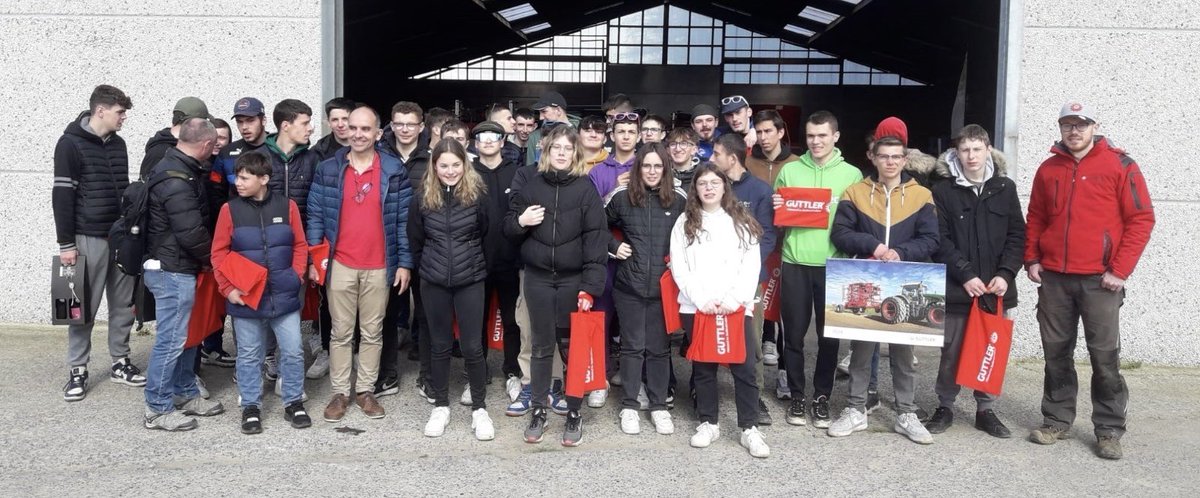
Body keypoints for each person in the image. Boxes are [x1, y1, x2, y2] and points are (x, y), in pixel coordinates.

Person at [1024, 101, 1154, 460]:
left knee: (1104, 356)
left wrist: (1120, 269)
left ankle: (1109, 429)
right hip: (1055, 280)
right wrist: (1032, 258)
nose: (1074, 131)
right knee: (1056, 354)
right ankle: (1056, 420)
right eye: (1067, 124)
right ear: (1061, 128)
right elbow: (1035, 215)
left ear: (1095, 125)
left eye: (1081, 124)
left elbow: (1141, 219)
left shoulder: (1120, 165)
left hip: (1101, 281)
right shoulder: (1049, 169)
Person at [827, 136, 939, 444]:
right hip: (868, 276)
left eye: (896, 157)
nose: (890, 162)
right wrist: (874, 246)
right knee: (861, 351)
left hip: (905, 276)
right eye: (884, 156)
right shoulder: (855, 192)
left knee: (904, 353)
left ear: (905, 160)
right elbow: (841, 233)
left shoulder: (922, 195)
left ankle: (906, 413)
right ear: (872, 158)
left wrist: (901, 251)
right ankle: (855, 410)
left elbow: (931, 239)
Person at [306, 105, 414, 423]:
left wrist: (404, 263)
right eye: (353, 128)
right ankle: (340, 393)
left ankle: (365, 390)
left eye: (365, 129)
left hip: (380, 265)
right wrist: (315, 259)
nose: (358, 134)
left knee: (373, 331)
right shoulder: (328, 168)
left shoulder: (394, 170)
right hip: (340, 263)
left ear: (378, 134)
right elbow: (315, 215)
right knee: (339, 332)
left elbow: (403, 221)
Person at [504, 125, 609, 447]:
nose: (561, 153)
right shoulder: (531, 185)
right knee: (540, 346)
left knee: (572, 348)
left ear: (576, 154)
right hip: (536, 277)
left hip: (573, 280)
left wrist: (589, 287)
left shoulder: (585, 190)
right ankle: (539, 408)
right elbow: (507, 226)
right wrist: (521, 222)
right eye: (555, 148)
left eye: (567, 148)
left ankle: (574, 411)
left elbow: (596, 239)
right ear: (545, 153)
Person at [927, 124, 1024, 439]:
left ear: (987, 149)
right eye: (965, 150)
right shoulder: (942, 190)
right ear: (957, 152)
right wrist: (965, 274)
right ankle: (945, 406)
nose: (971, 156)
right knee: (951, 351)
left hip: (995, 290)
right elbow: (939, 240)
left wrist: (1006, 274)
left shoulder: (1004, 188)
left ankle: (985, 409)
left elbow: (1017, 235)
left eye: (977, 149)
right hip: (958, 287)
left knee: (989, 349)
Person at [769, 111, 862, 429]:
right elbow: (776, 216)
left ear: (835, 136)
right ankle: (797, 395)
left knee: (829, 338)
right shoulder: (790, 171)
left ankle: (821, 397)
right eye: (810, 136)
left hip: (833, 267)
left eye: (822, 135)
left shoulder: (851, 175)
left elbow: (858, 223)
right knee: (792, 336)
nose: (816, 141)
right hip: (794, 263)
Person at [53, 84, 145, 402]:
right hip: (85, 239)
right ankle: (78, 370)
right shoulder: (69, 144)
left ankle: (120, 362)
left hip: (119, 237)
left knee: (123, 305)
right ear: (100, 110)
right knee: (81, 309)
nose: (123, 119)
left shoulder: (118, 145)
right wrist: (66, 245)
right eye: (120, 113)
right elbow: (62, 197)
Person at [670, 163, 768, 458]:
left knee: (744, 366)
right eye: (703, 183)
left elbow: (751, 265)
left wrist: (734, 299)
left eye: (715, 182)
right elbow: (679, 266)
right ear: (695, 189)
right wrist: (701, 299)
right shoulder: (684, 222)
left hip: (735, 307)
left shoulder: (741, 221)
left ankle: (749, 427)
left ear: (725, 187)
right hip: (698, 306)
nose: (709, 188)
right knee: (704, 366)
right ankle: (708, 422)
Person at [210, 153, 311, 434]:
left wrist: (295, 275)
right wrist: (227, 289)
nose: (238, 182)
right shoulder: (229, 211)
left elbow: (300, 245)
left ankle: (293, 402)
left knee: (292, 351)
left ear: (263, 179)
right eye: (237, 176)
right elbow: (218, 254)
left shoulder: (287, 206)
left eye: (244, 177)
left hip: (284, 293)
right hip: (245, 296)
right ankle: (250, 407)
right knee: (250, 355)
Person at [142, 117, 226, 431]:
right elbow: (190, 233)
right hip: (173, 270)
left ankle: (184, 392)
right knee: (171, 340)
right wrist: (214, 261)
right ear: (205, 145)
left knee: (186, 337)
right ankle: (157, 407)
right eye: (213, 145)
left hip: (181, 267)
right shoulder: (176, 178)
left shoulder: (180, 168)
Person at [408, 139, 495, 440]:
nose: (449, 171)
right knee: (440, 345)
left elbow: (486, 233)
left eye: (455, 164)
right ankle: (441, 405)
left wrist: (473, 264)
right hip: (434, 281)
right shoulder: (422, 196)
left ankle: (480, 409)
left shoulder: (478, 195)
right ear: (434, 166)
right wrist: (429, 267)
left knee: (472, 347)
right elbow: (415, 239)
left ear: (464, 164)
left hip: (470, 279)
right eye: (443, 165)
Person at [606, 142, 686, 435]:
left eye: (657, 166)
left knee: (659, 349)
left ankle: (658, 406)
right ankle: (629, 405)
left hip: (663, 289)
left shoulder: (678, 199)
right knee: (631, 347)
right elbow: (594, 226)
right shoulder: (621, 197)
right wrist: (613, 246)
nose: (651, 171)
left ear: (665, 169)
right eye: (646, 166)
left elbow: (695, 233)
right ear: (638, 168)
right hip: (629, 286)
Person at [711, 133, 777, 427]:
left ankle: (755, 396)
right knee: (710, 337)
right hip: (712, 281)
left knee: (751, 341)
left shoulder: (760, 191)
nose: (711, 160)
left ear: (732, 158)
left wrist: (741, 269)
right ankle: (706, 394)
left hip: (750, 281)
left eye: (716, 154)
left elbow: (767, 238)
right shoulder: (712, 188)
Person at [745, 109, 799, 386]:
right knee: (757, 308)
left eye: (769, 131)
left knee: (786, 312)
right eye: (760, 131)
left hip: (786, 247)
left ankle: (785, 374)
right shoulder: (745, 162)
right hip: (751, 249)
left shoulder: (797, 165)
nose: (764, 137)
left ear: (780, 132)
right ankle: (754, 377)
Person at [471, 121, 524, 403]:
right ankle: (476, 374)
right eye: (482, 137)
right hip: (475, 261)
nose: (488, 141)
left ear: (503, 142)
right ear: (476, 143)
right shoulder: (467, 173)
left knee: (514, 320)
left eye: (494, 136)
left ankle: (513, 372)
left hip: (510, 261)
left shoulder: (518, 174)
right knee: (475, 320)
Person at [139, 96, 212, 179]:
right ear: (195, 123)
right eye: (204, 124)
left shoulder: (186, 146)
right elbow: (149, 189)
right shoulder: (159, 152)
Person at [214, 97, 270, 186]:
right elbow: (215, 189)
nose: (244, 127)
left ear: (263, 120)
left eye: (250, 120)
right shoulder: (226, 153)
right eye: (239, 122)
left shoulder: (278, 148)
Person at [590, 112, 638, 200]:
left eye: (631, 132)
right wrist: (615, 190)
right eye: (621, 132)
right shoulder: (597, 172)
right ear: (612, 136)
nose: (626, 137)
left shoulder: (646, 168)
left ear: (639, 137)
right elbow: (593, 209)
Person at [526, 90, 580, 166]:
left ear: (558, 110)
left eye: (544, 111)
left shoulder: (581, 134)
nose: (541, 117)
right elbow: (529, 170)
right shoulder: (535, 137)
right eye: (539, 113)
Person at [666, 127, 701, 191]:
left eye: (683, 144)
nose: (678, 149)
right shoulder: (662, 174)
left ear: (694, 149)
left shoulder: (702, 174)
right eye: (673, 144)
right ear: (668, 150)